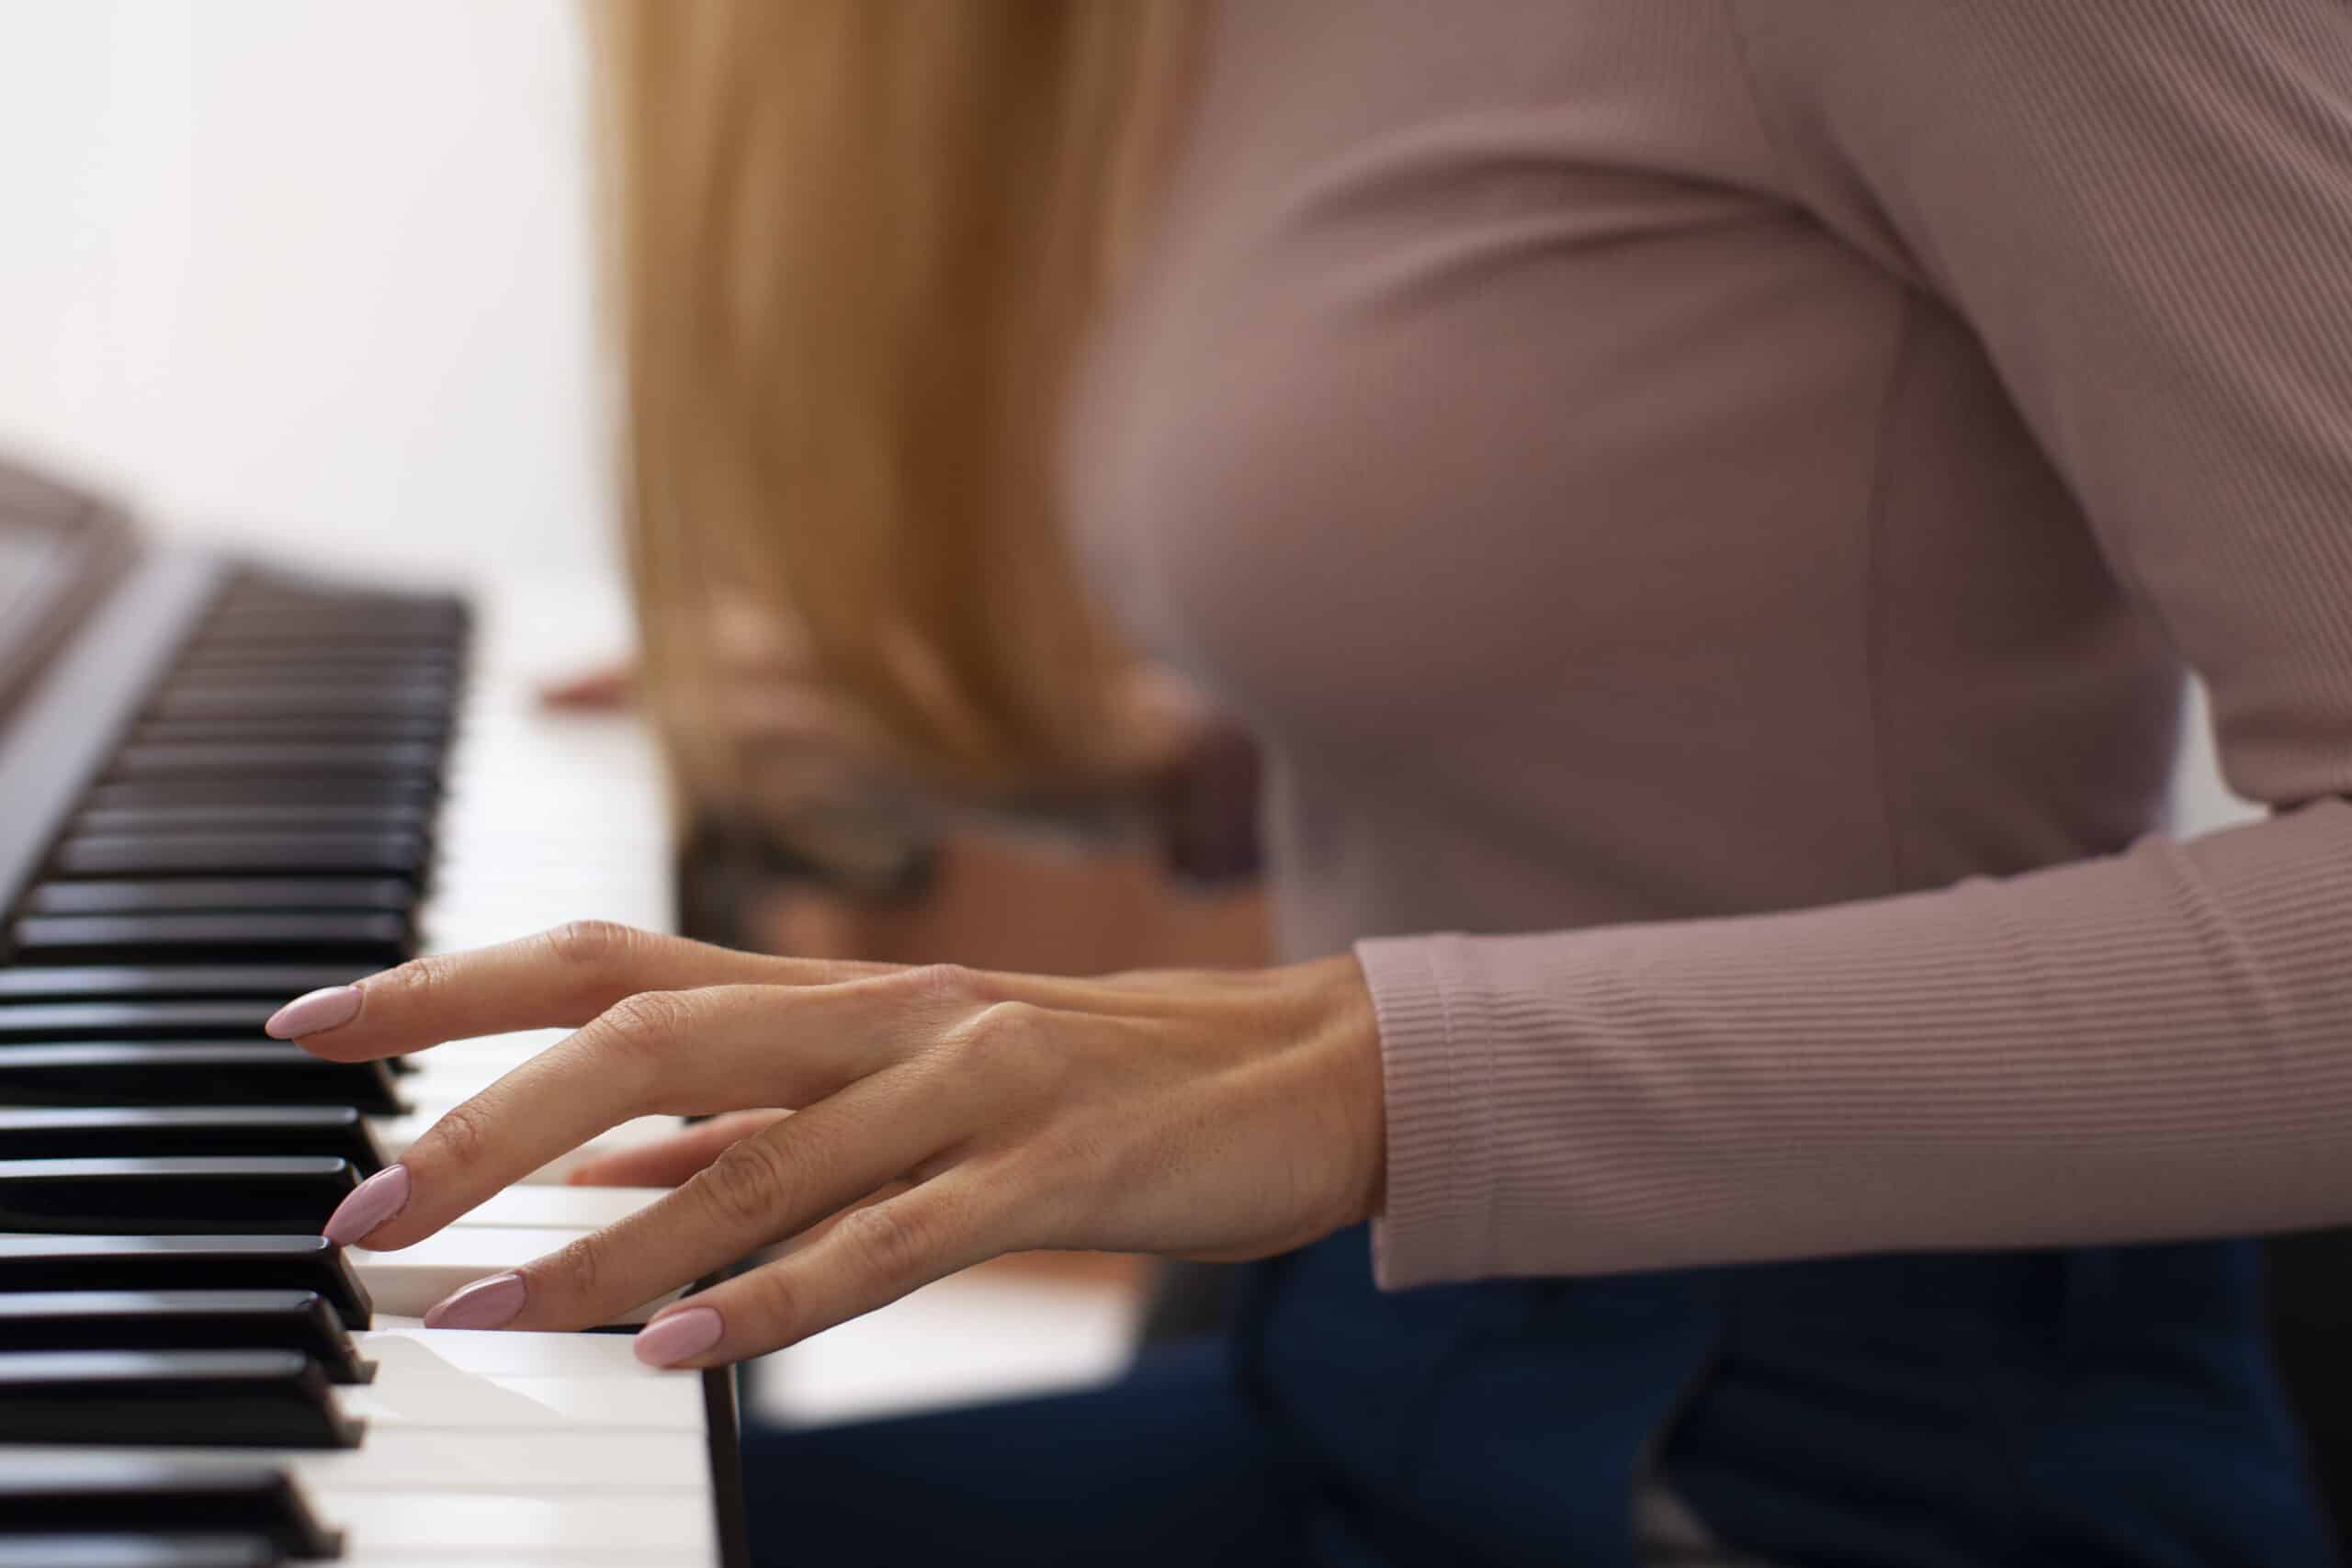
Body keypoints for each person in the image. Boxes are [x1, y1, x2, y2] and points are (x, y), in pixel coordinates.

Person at [266, 3, 2352, 1562]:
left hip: (1833, 1465)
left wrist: (1349, 1073)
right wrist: (1098, 767)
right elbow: (1681, 622)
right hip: (1387, 1372)